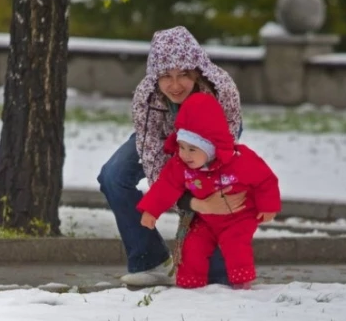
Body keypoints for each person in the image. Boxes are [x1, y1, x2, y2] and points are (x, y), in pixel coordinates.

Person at [97, 26, 245, 286]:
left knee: (209, 191)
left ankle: (222, 267)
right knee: (113, 175)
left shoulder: (222, 91)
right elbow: (154, 160)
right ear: (155, 76)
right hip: (162, 135)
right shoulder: (147, 95)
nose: (175, 85)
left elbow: (215, 164)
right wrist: (178, 202)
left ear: (196, 71)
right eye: (166, 76)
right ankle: (151, 260)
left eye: (183, 75)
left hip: (211, 141)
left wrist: (198, 201)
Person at [137, 93, 281, 289]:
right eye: (181, 147)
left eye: (193, 149)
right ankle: (190, 286)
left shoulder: (241, 160)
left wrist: (268, 206)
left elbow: (266, 180)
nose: (185, 155)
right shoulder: (180, 165)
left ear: (212, 148)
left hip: (240, 217)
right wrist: (151, 210)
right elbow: (166, 186)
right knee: (192, 246)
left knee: (235, 245)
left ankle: (242, 284)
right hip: (205, 219)